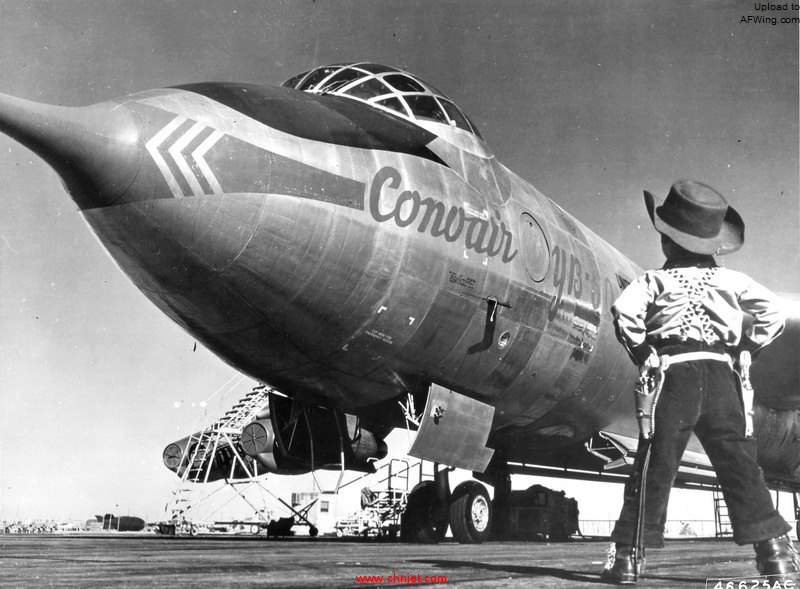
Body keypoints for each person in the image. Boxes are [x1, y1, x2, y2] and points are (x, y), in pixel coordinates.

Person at [601, 180, 798, 585]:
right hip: (723, 379)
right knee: (741, 463)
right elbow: (774, 315)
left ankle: (626, 560)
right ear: (714, 245)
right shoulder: (735, 282)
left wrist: (645, 354)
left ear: (668, 243)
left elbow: (624, 313)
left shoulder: (654, 281)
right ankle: (777, 557)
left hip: (675, 376)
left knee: (655, 464)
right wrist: (746, 349)